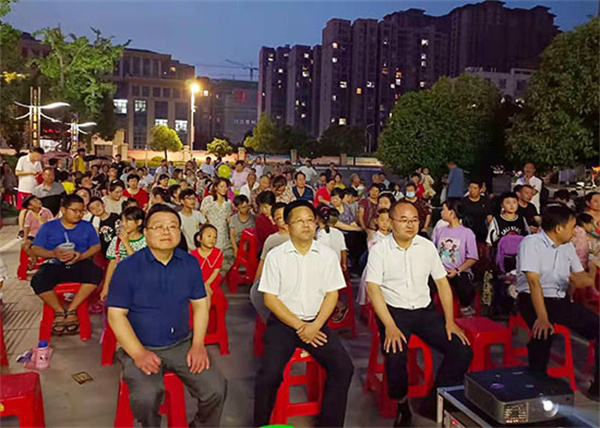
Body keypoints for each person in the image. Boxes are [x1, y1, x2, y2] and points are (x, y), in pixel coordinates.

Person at [106, 205, 227, 427]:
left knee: (216, 388)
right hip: (140, 344)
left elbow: (201, 305)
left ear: (180, 232)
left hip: (181, 343)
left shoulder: (189, 263)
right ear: (146, 232)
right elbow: (116, 316)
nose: (166, 232)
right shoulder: (128, 268)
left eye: (172, 227)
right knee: (146, 396)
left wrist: (198, 344)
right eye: (158, 227)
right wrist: (138, 353)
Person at [365, 201, 472, 425]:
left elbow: (442, 283)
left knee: (461, 349)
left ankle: (433, 404)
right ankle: (402, 404)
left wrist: (450, 321)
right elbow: (373, 289)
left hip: (424, 312)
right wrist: (390, 326)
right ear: (391, 222)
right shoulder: (380, 250)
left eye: (414, 220)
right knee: (395, 355)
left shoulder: (426, 246)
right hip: (393, 313)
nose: (410, 225)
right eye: (404, 220)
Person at [254, 200, 354, 427]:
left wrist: (315, 325)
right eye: (299, 221)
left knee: (343, 368)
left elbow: (332, 295)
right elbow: (270, 299)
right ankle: (261, 424)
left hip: (317, 323)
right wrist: (301, 326)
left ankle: (329, 424)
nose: (306, 225)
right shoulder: (276, 256)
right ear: (287, 226)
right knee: (268, 376)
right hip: (283, 324)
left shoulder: (327, 255)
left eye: (310, 220)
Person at [516, 204, 598, 401]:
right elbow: (533, 282)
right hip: (531, 297)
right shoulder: (531, 243)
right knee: (543, 332)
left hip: (559, 299)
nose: (575, 231)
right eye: (572, 227)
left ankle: (597, 388)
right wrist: (542, 317)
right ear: (559, 228)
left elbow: (580, 278)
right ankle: (536, 382)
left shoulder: (567, 246)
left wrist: (591, 274)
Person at [30, 194, 103, 335]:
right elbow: (36, 248)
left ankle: (72, 309)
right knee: (38, 280)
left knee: (96, 273)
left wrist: (81, 256)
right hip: (54, 264)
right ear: (63, 210)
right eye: (74, 210)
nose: (79, 214)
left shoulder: (86, 226)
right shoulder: (49, 227)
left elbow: (96, 246)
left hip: (78, 264)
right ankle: (59, 310)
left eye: (81, 211)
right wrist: (53, 253)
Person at [433, 200, 479, 317]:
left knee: (464, 287)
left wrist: (457, 270)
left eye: (444, 210)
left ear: (452, 213)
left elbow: (473, 258)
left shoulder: (467, 233)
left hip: (459, 271)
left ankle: (465, 308)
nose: (441, 212)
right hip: (440, 271)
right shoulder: (440, 231)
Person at [250, 202, 289, 322]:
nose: (284, 220)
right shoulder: (272, 240)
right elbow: (263, 262)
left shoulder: (299, 237)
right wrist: (256, 282)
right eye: (279, 218)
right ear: (274, 221)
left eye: (286, 216)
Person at [100, 207, 147, 301]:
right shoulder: (116, 240)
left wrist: (126, 244)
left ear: (139, 222)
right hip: (120, 282)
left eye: (128, 221)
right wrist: (106, 286)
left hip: (139, 284)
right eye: (122, 221)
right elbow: (112, 264)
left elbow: (139, 263)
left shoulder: (146, 241)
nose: (123, 224)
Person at [15, 148, 44, 236]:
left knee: (35, 208)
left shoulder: (38, 162)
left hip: (35, 188)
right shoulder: (23, 159)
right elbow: (17, 172)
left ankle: (35, 227)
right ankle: (21, 229)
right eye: (37, 155)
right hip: (24, 188)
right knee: (23, 209)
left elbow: (40, 173)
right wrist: (30, 172)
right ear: (32, 152)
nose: (38, 157)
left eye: (39, 156)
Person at [200, 177, 232, 253]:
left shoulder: (228, 202)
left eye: (226, 187)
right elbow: (202, 217)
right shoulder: (208, 200)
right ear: (215, 187)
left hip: (223, 234)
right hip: (210, 232)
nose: (224, 189)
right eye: (221, 186)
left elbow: (228, 219)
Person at [191, 225, 223, 294]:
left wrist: (207, 284)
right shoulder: (193, 254)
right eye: (209, 236)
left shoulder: (218, 253)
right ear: (199, 238)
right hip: (198, 282)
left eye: (215, 237)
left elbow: (216, 272)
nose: (212, 239)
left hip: (212, 282)